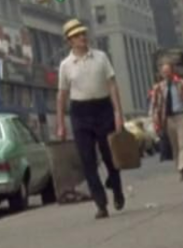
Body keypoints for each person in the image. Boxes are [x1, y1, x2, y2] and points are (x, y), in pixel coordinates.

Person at [56, 19, 125, 219]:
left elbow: (112, 85)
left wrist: (117, 113)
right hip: (80, 112)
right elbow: (61, 95)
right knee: (87, 160)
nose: (82, 38)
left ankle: (117, 188)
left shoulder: (101, 57)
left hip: (103, 108)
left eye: (83, 34)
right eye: (77, 36)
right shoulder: (66, 65)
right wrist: (61, 124)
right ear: (70, 41)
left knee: (110, 155)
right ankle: (100, 203)